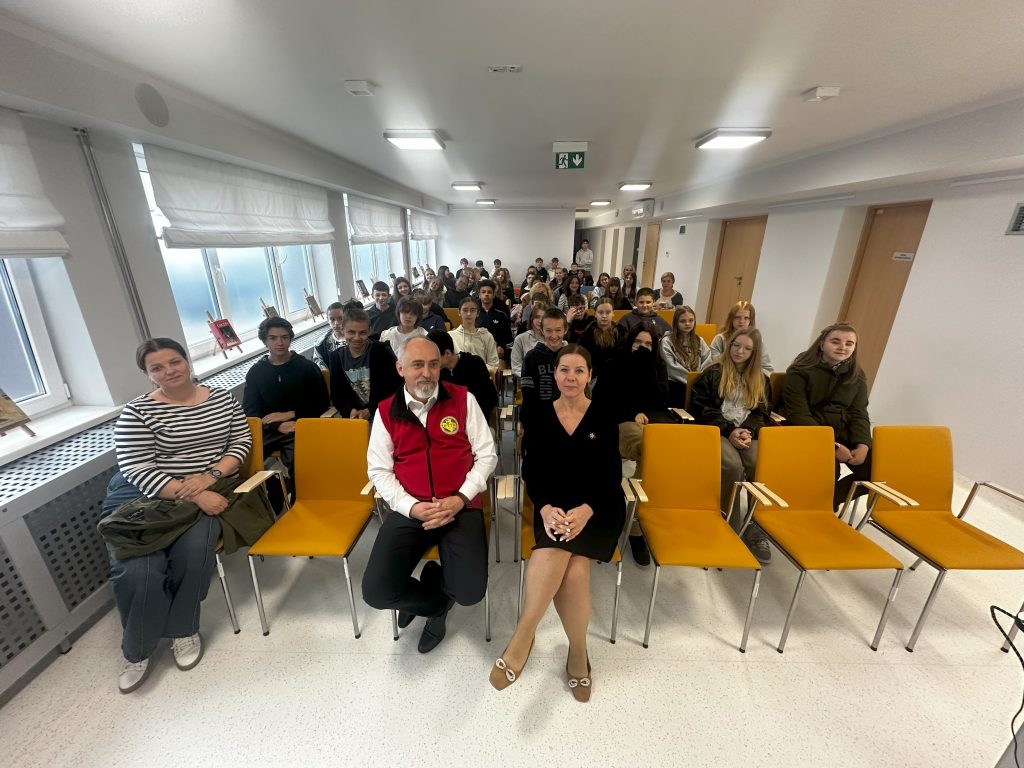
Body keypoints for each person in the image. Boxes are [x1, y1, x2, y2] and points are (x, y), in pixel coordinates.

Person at [103, 338, 273, 693]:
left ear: (187, 361)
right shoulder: (137, 412)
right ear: (148, 374)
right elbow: (136, 468)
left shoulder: (222, 399)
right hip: (147, 495)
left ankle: (183, 630)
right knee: (138, 567)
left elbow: (239, 444)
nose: (169, 371)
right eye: (157, 367)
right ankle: (137, 649)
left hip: (211, 484)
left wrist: (210, 477)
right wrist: (194, 494)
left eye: (175, 361)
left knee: (194, 553)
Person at [489, 345, 624, 701]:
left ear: (589, 376)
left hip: (598, 508)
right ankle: (578, 654)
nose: (571, 378)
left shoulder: (603, 414)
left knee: (566, 562)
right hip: (554, 507)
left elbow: (611, 476)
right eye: (564, 370)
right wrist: (546, 508)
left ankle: (522, 638)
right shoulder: (538, 414)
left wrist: (586, 510)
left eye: (579, 371)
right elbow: (532, 472)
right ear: (554, 374)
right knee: (575, 574)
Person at [362, 338, 497, 653]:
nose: (427, 373)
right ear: (400, 368)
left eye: (433, 364)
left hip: (460, 507)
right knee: (377, 591)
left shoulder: (463, 399)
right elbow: (379, 471)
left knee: (470, 593)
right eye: (417, 365)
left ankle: (438, 582)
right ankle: (435, 606)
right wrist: (410, 507)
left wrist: (460, 498)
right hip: (411, 509)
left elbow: (487, 455)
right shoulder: (386, 411)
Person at [594, 323, 675, 569]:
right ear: (629, 342)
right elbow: (604, 402)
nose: (642, 348)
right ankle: (636, 526)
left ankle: (644, 508)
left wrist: (646, 367)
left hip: (650, 422)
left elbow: (660, 400)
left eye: (648, 344)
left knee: (669, 449)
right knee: (649, 448)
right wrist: (633, 412)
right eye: (638, 343)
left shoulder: (657, 366)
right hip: (618, 422)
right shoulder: (614, 364)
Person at [689, 328, 774, 564]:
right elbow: (701, 407)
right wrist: (730, 430)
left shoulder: (762, 379)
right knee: (733, 466)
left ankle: (755, 525)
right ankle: (729, 522)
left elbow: (762, 413)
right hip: (718, 430)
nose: (740, 351)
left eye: (747, 349)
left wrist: (747, 430)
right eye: (736, 345)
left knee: (759, 464)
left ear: (755, 353)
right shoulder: (714, 372)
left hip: (747, 433)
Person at [782, 323, 872, 510]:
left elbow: (859, 413)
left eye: (849, 344)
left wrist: (863, 444)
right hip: (809, 431)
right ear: (822, 344)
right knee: (830, 469)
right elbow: (798, 415)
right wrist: (832, 445)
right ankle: (816, 507)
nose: (842, 347)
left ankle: (828, 503)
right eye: (836, 341)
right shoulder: (800, 370)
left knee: (879, 469)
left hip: (842, 431)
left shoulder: (857, 375)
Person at [243, 317, 329, 490]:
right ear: (265, 341)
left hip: (299, 426)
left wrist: (291, 414)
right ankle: (272, 491)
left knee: (300, 464)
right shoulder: (256, 372)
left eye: (284, 337)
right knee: (243, 461)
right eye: (273, 338)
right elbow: (250, 410)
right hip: (268, 429)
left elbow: (321, 403)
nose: (280, 342)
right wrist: (277, 425)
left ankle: (299, 497)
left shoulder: (306, 367)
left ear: (290, 339)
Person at [328, 306, 402, 420]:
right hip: (353, 417)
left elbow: (396, 388)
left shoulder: (382, 352)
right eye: (351, 332)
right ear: (343, 330)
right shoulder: (336, 357)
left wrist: (371, 409)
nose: (357, 338)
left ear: (370, 330)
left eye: (362, 333)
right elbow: (337, 395)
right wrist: (350, 410)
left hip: (384, 413)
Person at [429, 330, 498, 424]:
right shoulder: (434, 372)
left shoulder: (475, 364)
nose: (430, 362)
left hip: (474, 420)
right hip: (446, 421)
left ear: (447, 353)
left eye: (434, 359)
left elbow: (490, 399)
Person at [520, 307, 568, 424]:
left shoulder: (572, 356)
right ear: (542, 330)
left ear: (565, 330)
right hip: (538, 417)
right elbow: (528, 394)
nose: (554, 335)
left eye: (558, 330)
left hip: (566, 417)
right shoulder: (531, 357)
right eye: (548, 330)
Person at [660, 305, 712, 406]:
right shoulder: (667, 341)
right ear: (676, 323)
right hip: (676, 385)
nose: (687, 323)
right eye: (683, 321)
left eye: (691, 320)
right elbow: (671, 368)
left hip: (698, 385)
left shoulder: (699, 340)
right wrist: (692, 381)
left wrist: (698, 381)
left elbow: (708, 361)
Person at [709, 301, 774, 373]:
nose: (741, 321)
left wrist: (752, 375)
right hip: (724, 376)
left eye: (746, 318)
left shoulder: (758, 342)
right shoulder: (720, 339)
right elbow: (713, 363)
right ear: (731, 319)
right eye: (737, 317)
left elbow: (767, 368)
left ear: (751, 320)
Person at [449, 296, 499, 375]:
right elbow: (448, 363)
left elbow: (493, 363)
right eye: (465, 310)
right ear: (459, 312)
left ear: (478, 313)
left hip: (481, 377)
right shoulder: (450, 336)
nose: (469, 314)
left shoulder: (486, 336)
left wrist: (476, 370)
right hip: (458, 378)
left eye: (472, 310)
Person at [578, 296, 621, 382]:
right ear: (595, 314)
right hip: (593, 375)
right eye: (600, 312)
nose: (604, 316)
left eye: (608, 312)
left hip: (615, 375)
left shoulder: (621, 332)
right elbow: (582, 356)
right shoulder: (587, 333)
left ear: (613, 313)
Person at [476, 279, 513, 368]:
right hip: (477, 353)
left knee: (499, 368)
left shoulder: (501, 315)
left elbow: (509, 340)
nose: (486, 294)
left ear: (493, 295)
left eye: (489, 292)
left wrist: (502, 347)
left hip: (497, 355)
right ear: (479, 295)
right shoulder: (474, 315)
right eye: (483, 292)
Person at [511, 303, 546, 374]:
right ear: (532, 318)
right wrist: (530, 377)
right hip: (526, 378)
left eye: (543, 318)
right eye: (537, 317)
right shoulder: (520, 339)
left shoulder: (553, 339)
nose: (540, 321)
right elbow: (516, 367)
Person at [313, 301, 346, 370]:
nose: (336, 323)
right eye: (332, 319)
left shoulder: (355, 337)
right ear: (328, 320)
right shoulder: (321, 343)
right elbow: (319, 364)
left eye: (340, 318)